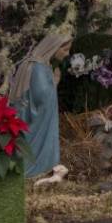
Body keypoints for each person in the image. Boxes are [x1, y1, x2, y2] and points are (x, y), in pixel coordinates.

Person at [8, 31, 72, 179]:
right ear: (54, 46)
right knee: (35, 149)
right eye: (65, 49)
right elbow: (41, 97)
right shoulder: (38, 67)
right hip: (36, 123)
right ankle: (37, 171)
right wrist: (54, 83)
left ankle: (44, 170)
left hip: (40, 120)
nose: (67, 54)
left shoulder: (42, 65)